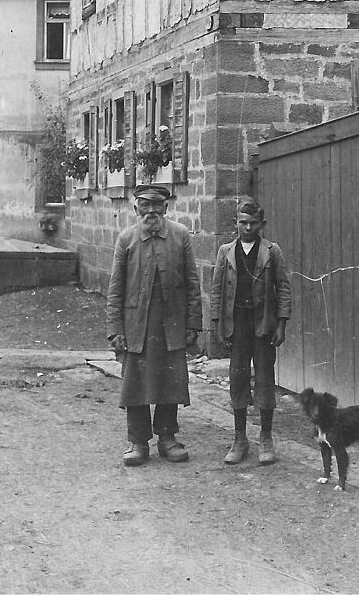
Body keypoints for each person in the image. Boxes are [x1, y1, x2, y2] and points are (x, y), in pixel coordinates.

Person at [106, 185, 202, 466]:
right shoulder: (126, 240)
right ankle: (137, 442)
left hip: (171, 324)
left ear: (166, 208)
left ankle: (167, 438)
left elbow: (192, 283)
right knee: (135, 383)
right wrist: (115, 329)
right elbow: (115, 289)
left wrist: (193, 323)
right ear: (136, 209)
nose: (151, 212)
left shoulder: (181, 236)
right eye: (145, 206)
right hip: (137, 326)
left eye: (157, 206)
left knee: (169, 381)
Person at [210, 195, 292, 466]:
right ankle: (239, 438)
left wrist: (281, 323)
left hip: (264, 325)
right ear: (235, 223)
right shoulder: (226, 252)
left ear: (262, 224)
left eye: (253, 223)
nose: (247, 228)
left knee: (265, 379)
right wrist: (217, 326)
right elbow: (217, 290)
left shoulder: (272, 251)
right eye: (242, 223)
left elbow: (284, 288)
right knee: (238, 378)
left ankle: (266, 438)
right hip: (237, 325)